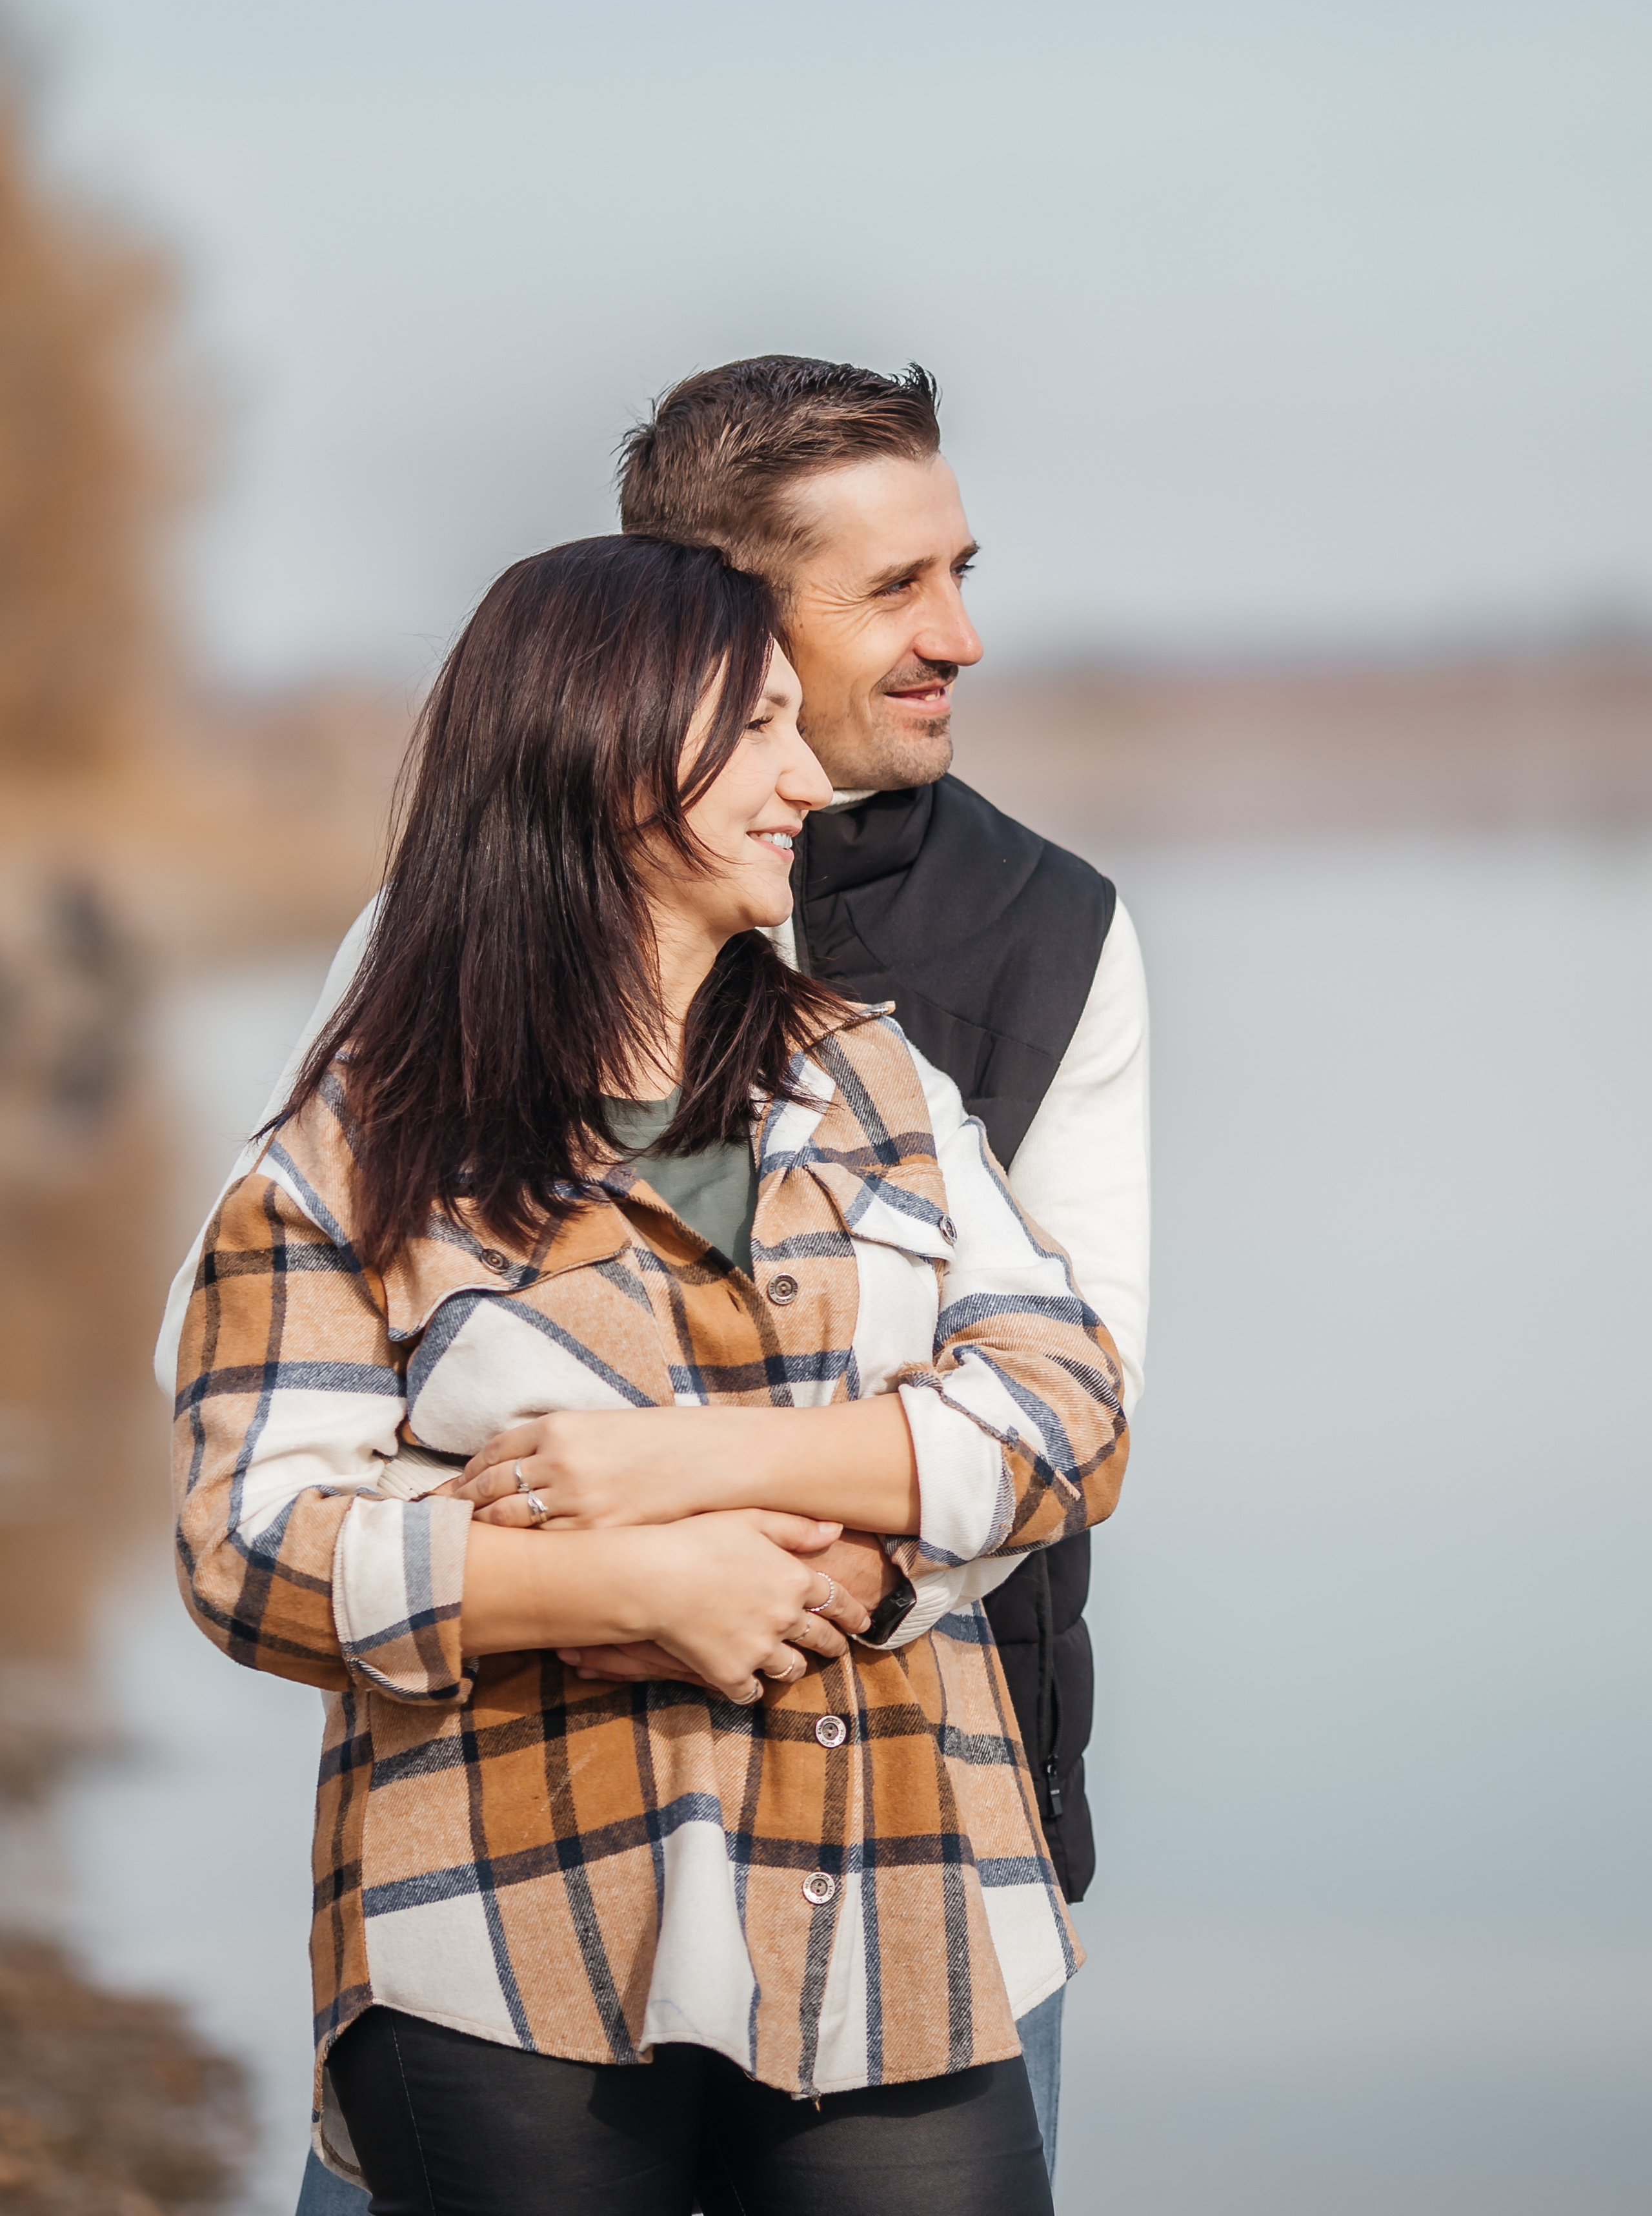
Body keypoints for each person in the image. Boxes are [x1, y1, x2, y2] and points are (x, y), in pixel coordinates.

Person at [157, 356, 1151, 2206]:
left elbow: (1074, 1401)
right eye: (892, 594)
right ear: (630, 722)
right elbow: (250, 1500)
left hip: (894, 1883)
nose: (961, 640)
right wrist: (606, 1582)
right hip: (514, 1895)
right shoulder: (379, 1097)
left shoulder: (882, 1069)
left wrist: (699, 1500)